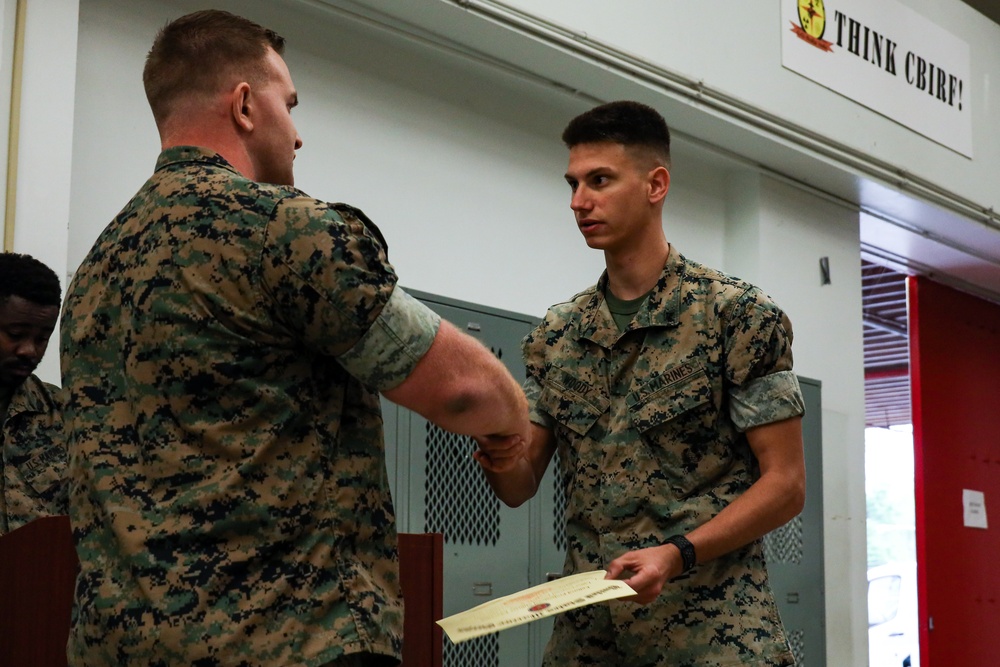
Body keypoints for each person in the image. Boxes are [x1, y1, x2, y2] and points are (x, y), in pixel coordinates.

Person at [59, 10, 528, 667]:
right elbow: (467, 389)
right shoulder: (279, 228)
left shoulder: (95, 273)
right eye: (290, 103)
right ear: (246, 105)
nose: (299, 134)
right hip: (289, 639)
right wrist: (514, 428)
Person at [477, 101, 807, 666]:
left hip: (711, 630)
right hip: (592, 637)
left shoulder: (736, 314)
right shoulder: (558, 334)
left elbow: (786, 485)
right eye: (573, 184)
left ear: (656, 185)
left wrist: (677, 554)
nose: (580, 202)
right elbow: (518, 486)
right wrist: (494, 442)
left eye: (599, 180)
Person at [0, 251, 66, 535]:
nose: (30, 350)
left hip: (42, 575)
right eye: (15, 334)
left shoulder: (63, 413)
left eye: (42, 338)